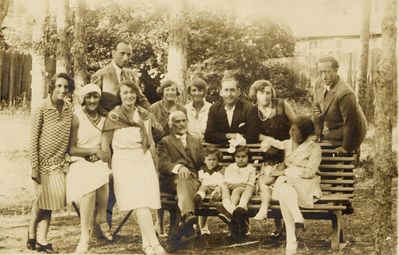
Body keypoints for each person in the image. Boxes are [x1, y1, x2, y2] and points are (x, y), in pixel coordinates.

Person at [101, 80, 166, 255]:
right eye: (125, 93)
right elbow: (105, 145)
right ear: (120, 96)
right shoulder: (114, 116)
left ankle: (147, 244)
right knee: (139, 202)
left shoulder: (144, 114)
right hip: (123, 161)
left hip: (143, 158)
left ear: (136, 95)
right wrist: (108, 168)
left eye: (132, 92)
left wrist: (155, 164)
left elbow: (151, 142)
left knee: (144, 201)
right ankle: (155, 243)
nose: (129, 96)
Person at [27, 73, 75, 253]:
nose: (62, 90)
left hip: (60, 162)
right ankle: (36, 234)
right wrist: (34, 167)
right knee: (43, 201)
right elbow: (33, 139)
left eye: (66, 87)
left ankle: (38, 237)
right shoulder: (41, 108)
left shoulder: (70, 108)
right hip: (43, 162)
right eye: (59, 86)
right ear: (52, 87)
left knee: (51, 202)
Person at [66, 84, 112, 253]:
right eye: (88, 97)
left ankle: (101, 215)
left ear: (100, 98)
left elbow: (106, 149)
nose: (92, 101)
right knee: (89, 191)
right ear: (83, 99)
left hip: (98, 161)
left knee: (102, 174)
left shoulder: (105, 119)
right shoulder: (76, 117)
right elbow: (71, 149)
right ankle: (84, 236)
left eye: (95, 97)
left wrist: (100, 154)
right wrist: (92, 151)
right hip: (78, 161)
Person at [247, 80, 296, 234]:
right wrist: (269, 140)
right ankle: (278, 225)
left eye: (268, 92)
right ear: (256, 94)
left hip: (287, 149)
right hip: (269, 153)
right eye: (262, 93)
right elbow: (252, 135)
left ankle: (287, 224)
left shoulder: (281, 105)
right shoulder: (253, 111)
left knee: (282, 184)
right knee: (269, 179)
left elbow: (296, 124)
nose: (266, 96)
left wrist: (288, 142)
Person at [270, 116, 322, 255]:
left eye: (295, 131)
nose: (291, 133)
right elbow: (270, 153)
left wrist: (286, 171)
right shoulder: (285, 144)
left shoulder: (314, 147)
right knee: (284, 186)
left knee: (282, 183)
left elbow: (310, 172)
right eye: (291, 129)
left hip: (306, 184)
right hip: (289, 186)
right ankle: (297, 219)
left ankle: (291, 239)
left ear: (305, 134)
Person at [157, 111, 203, 252]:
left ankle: (178, 232)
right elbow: (163, 164)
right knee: (183, 181)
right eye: (177, 121)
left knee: (184, 192)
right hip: (173, 180)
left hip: (194, 180)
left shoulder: (195, 140)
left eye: (184, 120)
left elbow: (201, 163)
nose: (182, 124)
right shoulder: (165, 141)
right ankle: (188, 216)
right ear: (171, 124)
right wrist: (179, 167)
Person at [150, 79, 186, 237]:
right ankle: (159, 222)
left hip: (176, 149)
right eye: (167, 90)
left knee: (174, 183)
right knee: (159, 183)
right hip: (159, 149)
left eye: (173, 90)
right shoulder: (154, 108)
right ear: (162, 91)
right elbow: (153, 131)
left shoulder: (181, 108)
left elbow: (184, 129)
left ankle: (174, 223)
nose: (170, 92)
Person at [312, 56, 367, 155]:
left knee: (327, 144)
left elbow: (351, 124)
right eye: (321, 72)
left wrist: (346, 148)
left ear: (336, 70)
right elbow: (317, 110)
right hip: (335, 128)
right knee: (311, 143)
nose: (324, 76)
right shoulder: (318, 84)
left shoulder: (345, 93)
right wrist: (317, 134)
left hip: (352, 131)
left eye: (327, 72)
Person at [91, 39, 150, 113]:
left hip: (130, 119)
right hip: (108, 120)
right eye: (122, 53)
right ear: (113, 53)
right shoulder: (100, 74)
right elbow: (92, 102)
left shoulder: (131, 75)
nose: (126, 58)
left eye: (129, 54)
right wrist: (107, 116)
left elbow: (141, 99)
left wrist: (153, 113)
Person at [217, 145, 256, 240]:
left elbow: (250, 183)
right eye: (238, 157)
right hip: (231, 188)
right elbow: (227, 180)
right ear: (234, 157)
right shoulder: (231, 167)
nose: (240, 159)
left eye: (243, 157)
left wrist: (237, 185)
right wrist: (230, 185)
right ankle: (231, 208)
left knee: (236, 190)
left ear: (248, 158)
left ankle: (231, 210)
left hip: (245, 190)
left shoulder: (251, 168)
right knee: (225, 188)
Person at [204, 78, 256, 145]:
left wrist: (220, 137)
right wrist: (230, 135)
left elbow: (253, 136)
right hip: (221, 150)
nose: (229, 94)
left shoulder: (248, 108)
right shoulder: (214, 109)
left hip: (242, 151)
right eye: (226, 90)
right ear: (221, 92)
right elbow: (208, 136)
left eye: (232, 90)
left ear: (238, 92)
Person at [193, 144, 224, 235]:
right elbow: (200, 181)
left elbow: (222, 182)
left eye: (214, 160)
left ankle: (216, 195)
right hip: (205, 189)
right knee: (203, 187)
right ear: (204, 160)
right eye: (209, 160)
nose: (211, 162)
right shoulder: (201, 170)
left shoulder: (220, 170)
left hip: (215, 189)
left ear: (218, 160)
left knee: (218, 188)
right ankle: (199, 195)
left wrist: (218, 188)